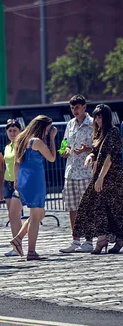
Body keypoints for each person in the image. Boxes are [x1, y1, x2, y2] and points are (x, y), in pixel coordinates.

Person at [73, 104, 123, 254]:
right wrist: (90, 156)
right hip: (99, 175)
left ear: (106, 117)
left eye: (100, 116)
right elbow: (96, 151)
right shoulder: (100, 132)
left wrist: (101, 178)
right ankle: (103, 240)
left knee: (113, 209)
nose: (97, 119)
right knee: (98, 207)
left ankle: (114, 240)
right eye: (95, 116)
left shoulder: (113, 132)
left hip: (112, 176)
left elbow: (110, 157)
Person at [9, 115, 57, 261]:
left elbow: (16, 163)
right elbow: (52, 158)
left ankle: (18, 239)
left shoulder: (21, 138)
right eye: (48, 129)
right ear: (43, 127)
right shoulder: (37, 141)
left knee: (39, 214)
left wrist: (16, 180)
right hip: (35, 181)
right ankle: (31, 252)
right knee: (36, 217)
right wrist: (53, 139)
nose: (48, 132)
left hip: (23, 179)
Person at [59, 95, 95, 253]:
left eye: (77, 107)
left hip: (86, 172)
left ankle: (89, 240)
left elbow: (98, 145)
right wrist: (64, 150)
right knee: (72, 208)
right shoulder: (70, 124)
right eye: (73, 108)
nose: (75, 110)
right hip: (71, 171)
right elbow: (64, 142)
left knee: (87, 207)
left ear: (84, 107)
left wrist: (86, 149)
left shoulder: (93, 123)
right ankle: (75, 240)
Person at [2, 119, 24, 257]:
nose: (12, 133)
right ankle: (16, 245)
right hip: (7, 182)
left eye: (14, 130)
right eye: (9, 131)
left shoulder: (21, 145)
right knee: (11, 215)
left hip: (18, 182)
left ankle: (19, 242)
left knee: (15, 214)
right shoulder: (7, 146)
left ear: (20, 131)